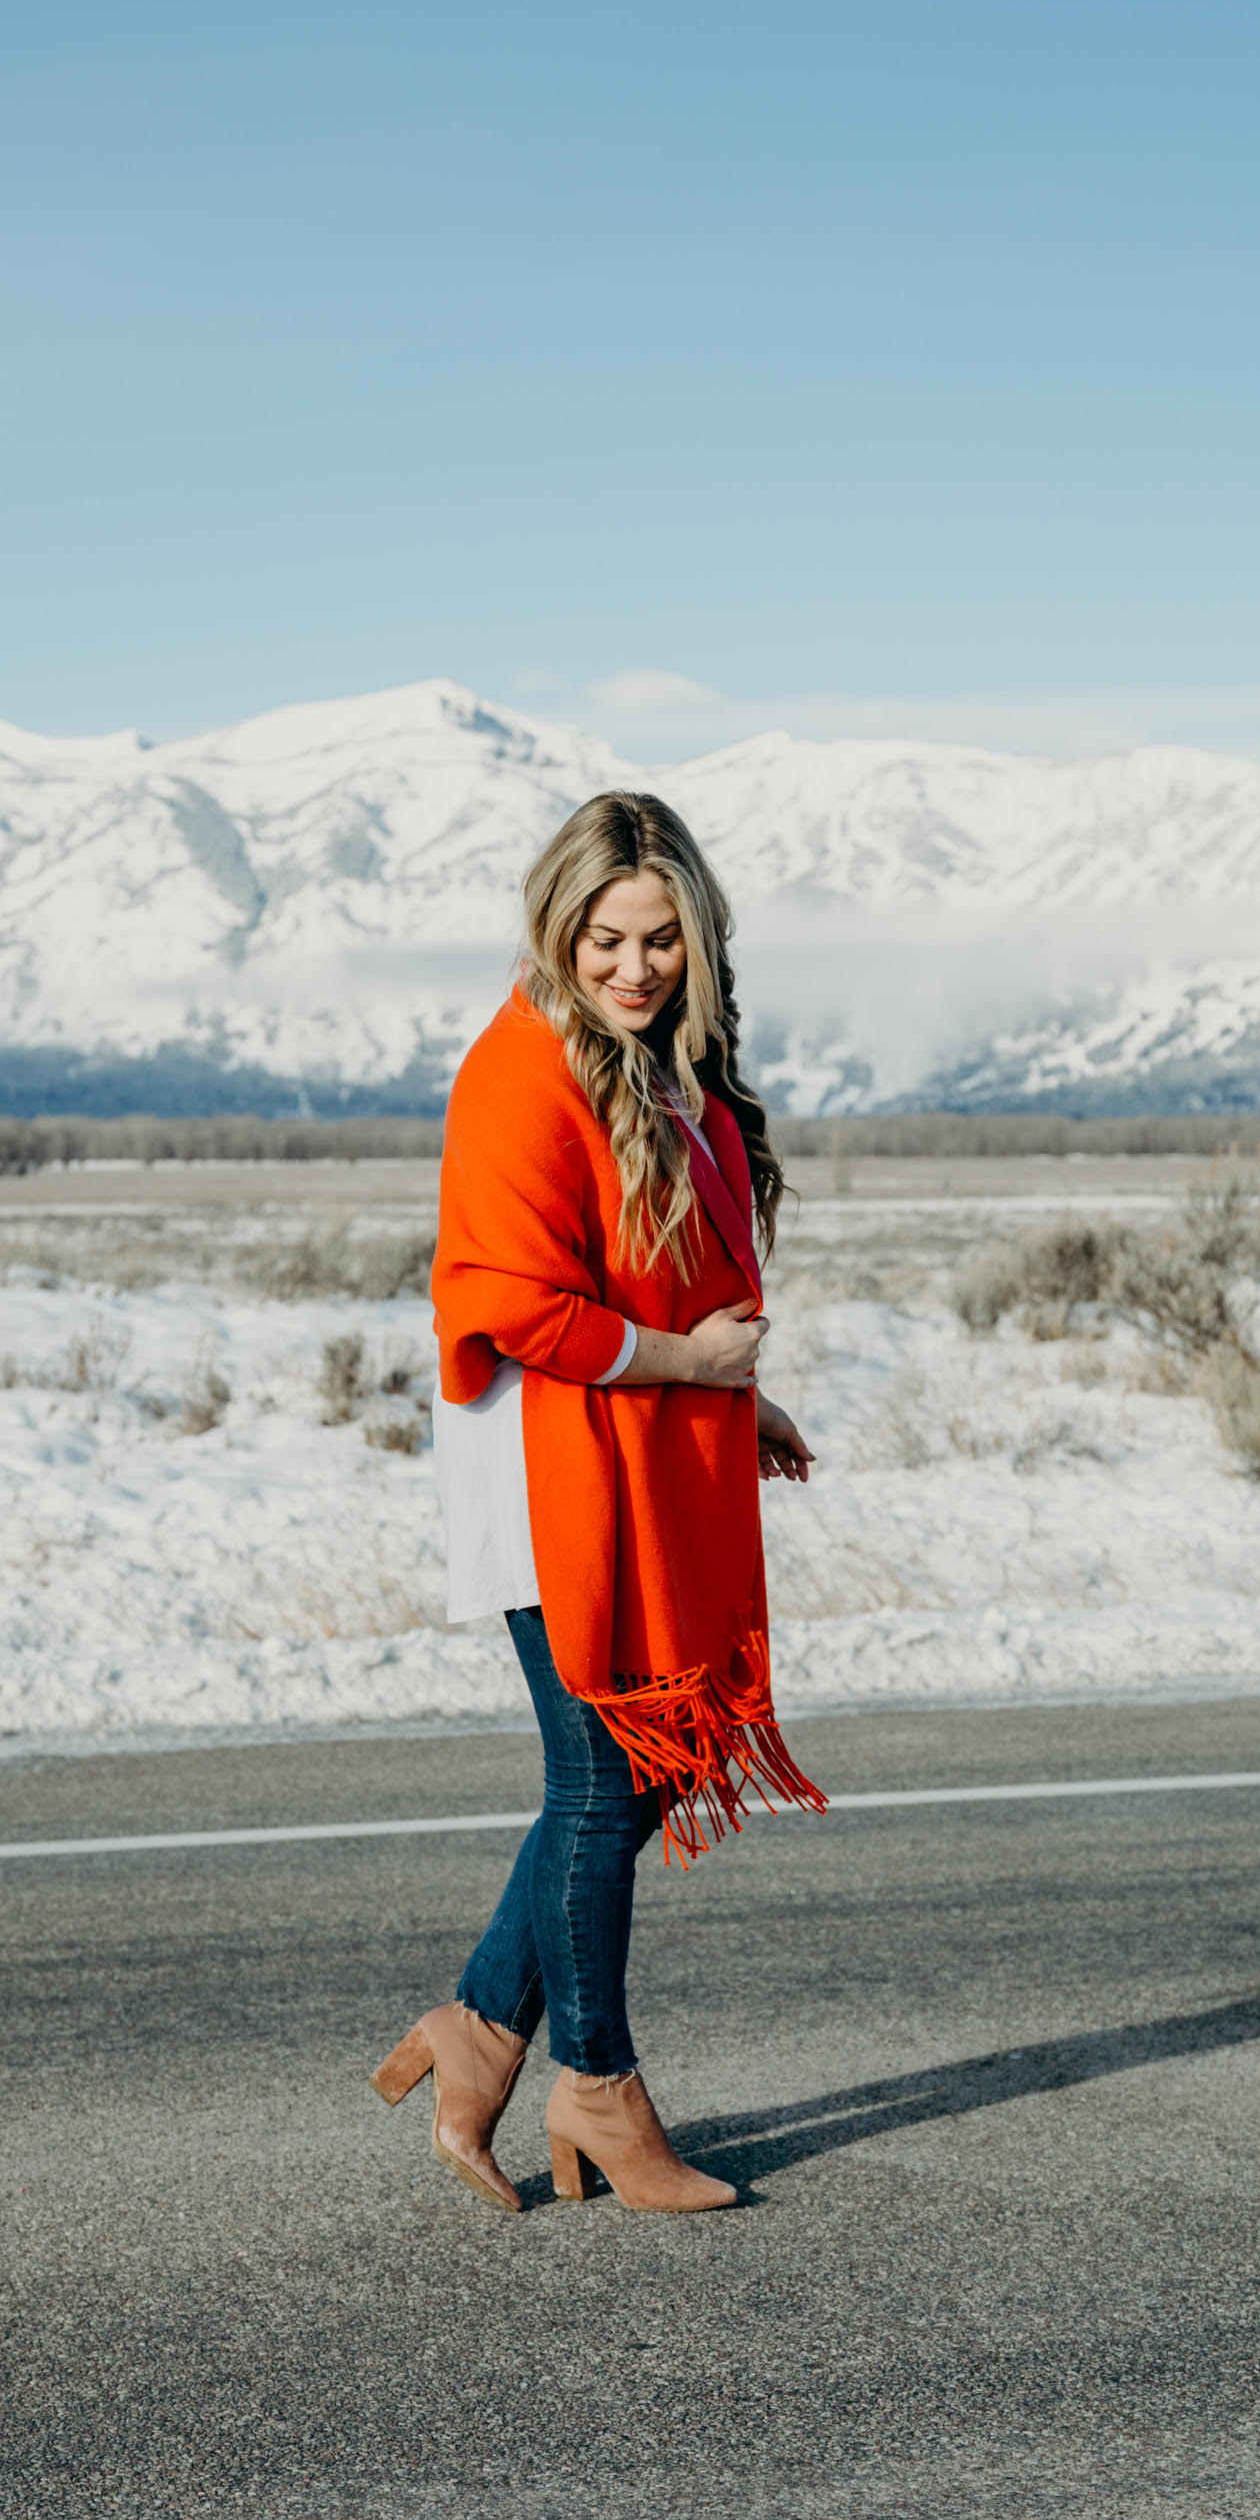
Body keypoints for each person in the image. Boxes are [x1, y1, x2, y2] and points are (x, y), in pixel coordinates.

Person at [371, 791, 824, 2214]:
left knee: (632, 1771)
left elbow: (659, 1276)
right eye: (606, 937)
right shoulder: (522, 1067)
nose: (634, 966)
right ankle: (600, 2090)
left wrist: (731, 1397)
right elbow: (512, 1301)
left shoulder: (661, 1067)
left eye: (663, 939)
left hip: (633, 1444)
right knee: (603, 1776)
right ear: (556, 926)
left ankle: (478, 2029)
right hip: (542, 1466)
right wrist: (689, 1364)